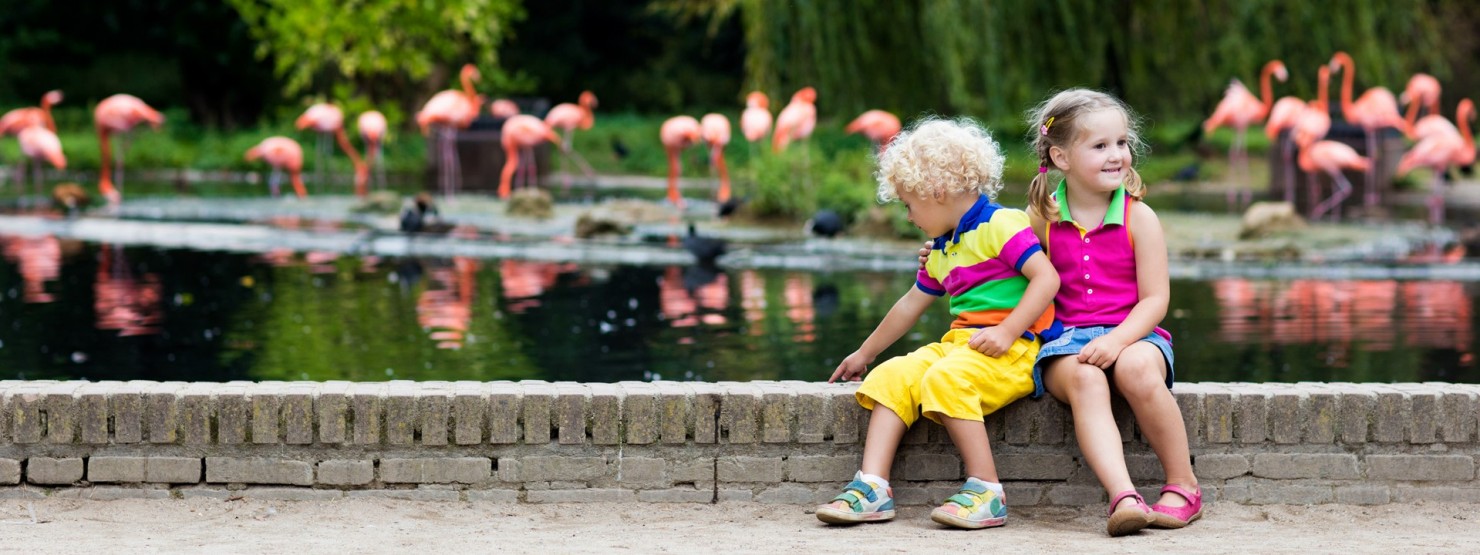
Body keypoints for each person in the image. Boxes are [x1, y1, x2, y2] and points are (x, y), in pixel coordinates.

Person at [817, 117, 1060, 530]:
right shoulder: (942, 249)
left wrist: (1007, 331)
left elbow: (1047, 279)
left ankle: (987, 490)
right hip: (962, 345)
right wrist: (865, 353)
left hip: (1014, 348)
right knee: (893, 375)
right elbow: (911, 303)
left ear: (937, 192)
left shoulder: (1002, 225)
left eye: (909, 205)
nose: (908, 216)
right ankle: (873, 486)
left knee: (947, 378)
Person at [1024, 89, 1199, 536]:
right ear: (1061, 156)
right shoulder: (1041, 217)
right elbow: (999, 262)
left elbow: (1155, 300)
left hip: (1136, 334)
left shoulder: (1141, 218)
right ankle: (1124, 496)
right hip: (1066, 340)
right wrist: (939, 254)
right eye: (1100, 146)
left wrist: (1119, 340)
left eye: (1121, 143)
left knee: (1138, 369)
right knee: (1085, 377)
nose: (1116, 155)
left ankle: (1183, 485)